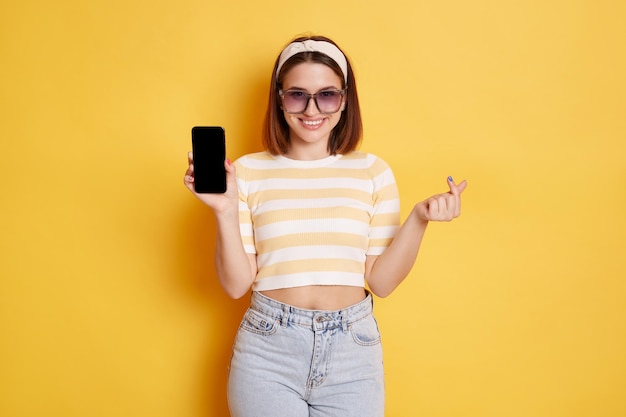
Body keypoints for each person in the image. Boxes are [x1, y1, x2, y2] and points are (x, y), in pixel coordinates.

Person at [184, 34, 467, 417]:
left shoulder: (372, 171)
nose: (312, 109)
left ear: (345, 99)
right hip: (268, 351)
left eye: (327, 95)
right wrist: (223, 209)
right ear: (279, 98)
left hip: (353, 351)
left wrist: (419, 219)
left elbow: (380, 282)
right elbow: (236, 284)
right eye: (297, 94)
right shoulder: (248, 171)